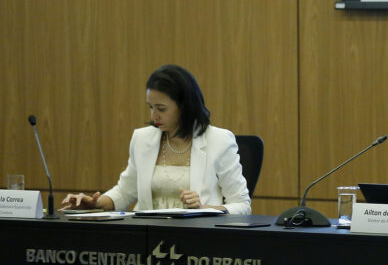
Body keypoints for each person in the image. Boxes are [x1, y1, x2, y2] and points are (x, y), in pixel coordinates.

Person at [60, 65, 251, 214]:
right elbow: (125, 191)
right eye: (150, 107)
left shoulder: (219, 140)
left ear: (185, 106)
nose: (153, 116)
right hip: (147, 236)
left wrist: (205, 209)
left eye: (161, 109)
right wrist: (95, 203)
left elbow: (242, 205)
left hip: (198, 238)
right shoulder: (142, 139)